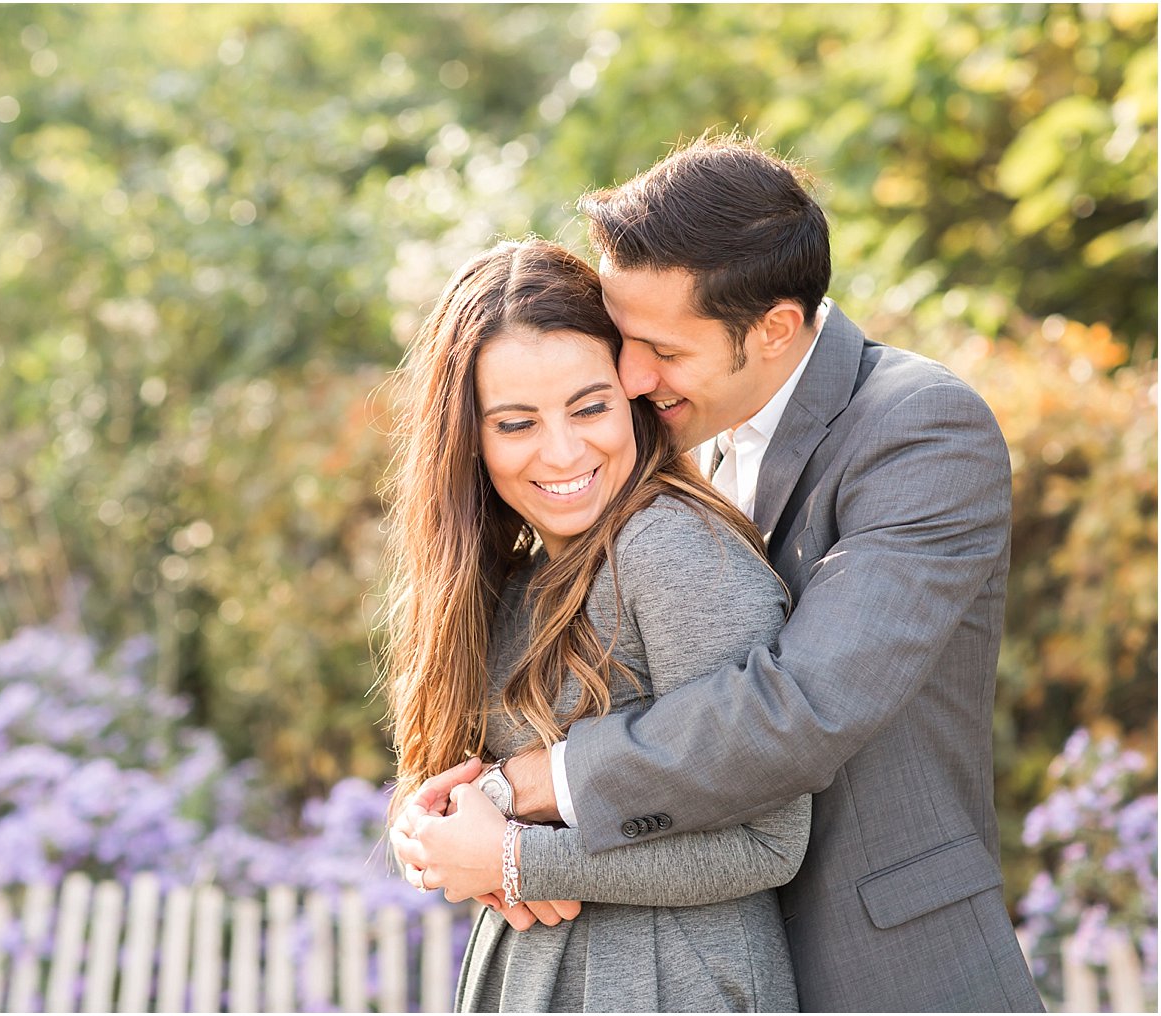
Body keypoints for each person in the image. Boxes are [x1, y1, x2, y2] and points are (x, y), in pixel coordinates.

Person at [404, 134, 1044, 1012]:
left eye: (658, 348)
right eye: (622, 339)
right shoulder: (652, 439)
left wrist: (528, 795)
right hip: (687, 946)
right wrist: (443, 814)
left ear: (774, 329)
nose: (629, 374)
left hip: (883, 961)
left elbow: (801, 704)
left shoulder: (920, 430)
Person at [382, 237, 812, 1012]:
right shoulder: (511, 575)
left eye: (590, 406)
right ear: (466, 438)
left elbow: (767, 842)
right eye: (515, 424)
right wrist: (430, 828)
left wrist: (517, 862)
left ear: (632, 396)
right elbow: (480, 790)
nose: (563, 450)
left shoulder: (670, 549)